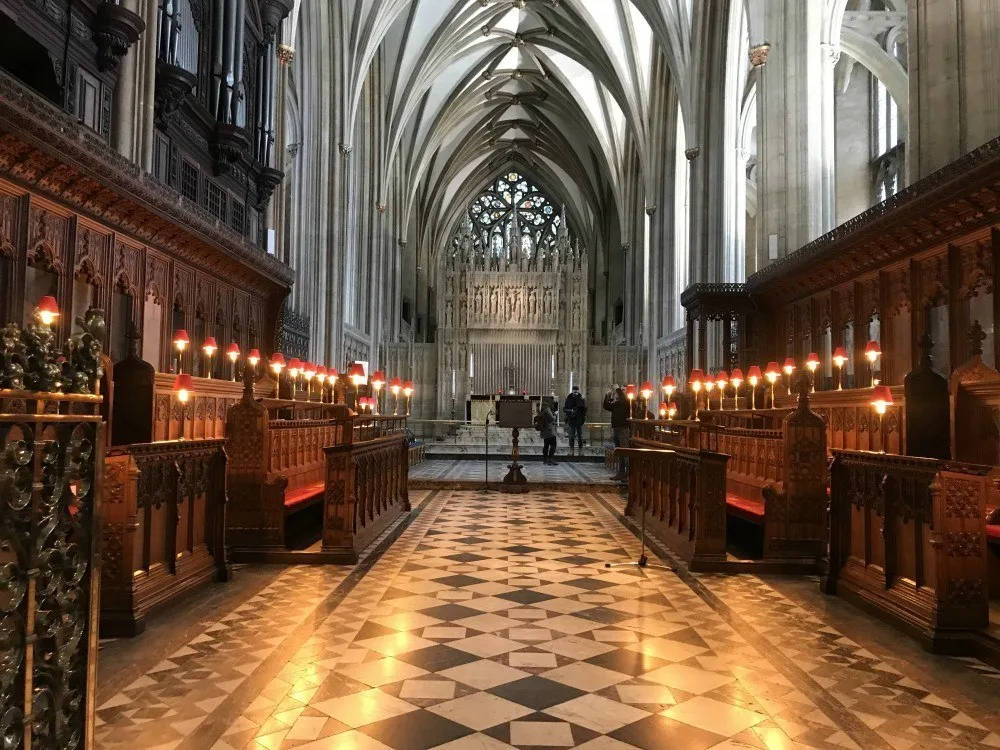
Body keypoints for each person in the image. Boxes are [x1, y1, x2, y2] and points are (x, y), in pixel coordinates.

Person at [602, 384, 631, 481]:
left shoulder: (628, 402)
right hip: (616, 429)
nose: (620, 392)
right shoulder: (617, 403)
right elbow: (606, 406)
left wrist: (618, 389)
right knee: (619, 453)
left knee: (625, 453)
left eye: (623, 390)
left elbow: (624, 398)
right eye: (621, 390)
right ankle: (621, 473)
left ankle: (629, 474)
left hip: (623, 430)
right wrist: (608, 396)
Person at [563, 385, 587, 455]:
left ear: (578, 391)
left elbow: (584, 409)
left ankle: (580, 450)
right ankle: (571, 450)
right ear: (572, 391)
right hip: (571, 419)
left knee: (580, 435)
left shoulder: (581, 398)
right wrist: (571, 411)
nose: (575, 393)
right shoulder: (568, 398)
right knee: (571, 435)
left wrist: (582, 414)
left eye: (577, 392)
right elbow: (564, 408)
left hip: (579, 419)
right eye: (574, 392)